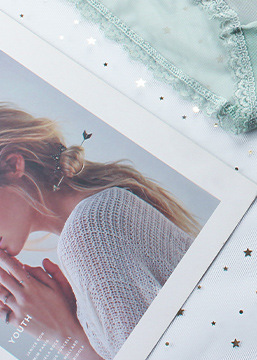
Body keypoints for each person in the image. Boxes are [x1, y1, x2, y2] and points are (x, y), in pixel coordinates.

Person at [0, 103, 199, 359]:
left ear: (12, 166)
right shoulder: (102, 216)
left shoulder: (90, 232)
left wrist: (65, 335)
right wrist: (77, 316)